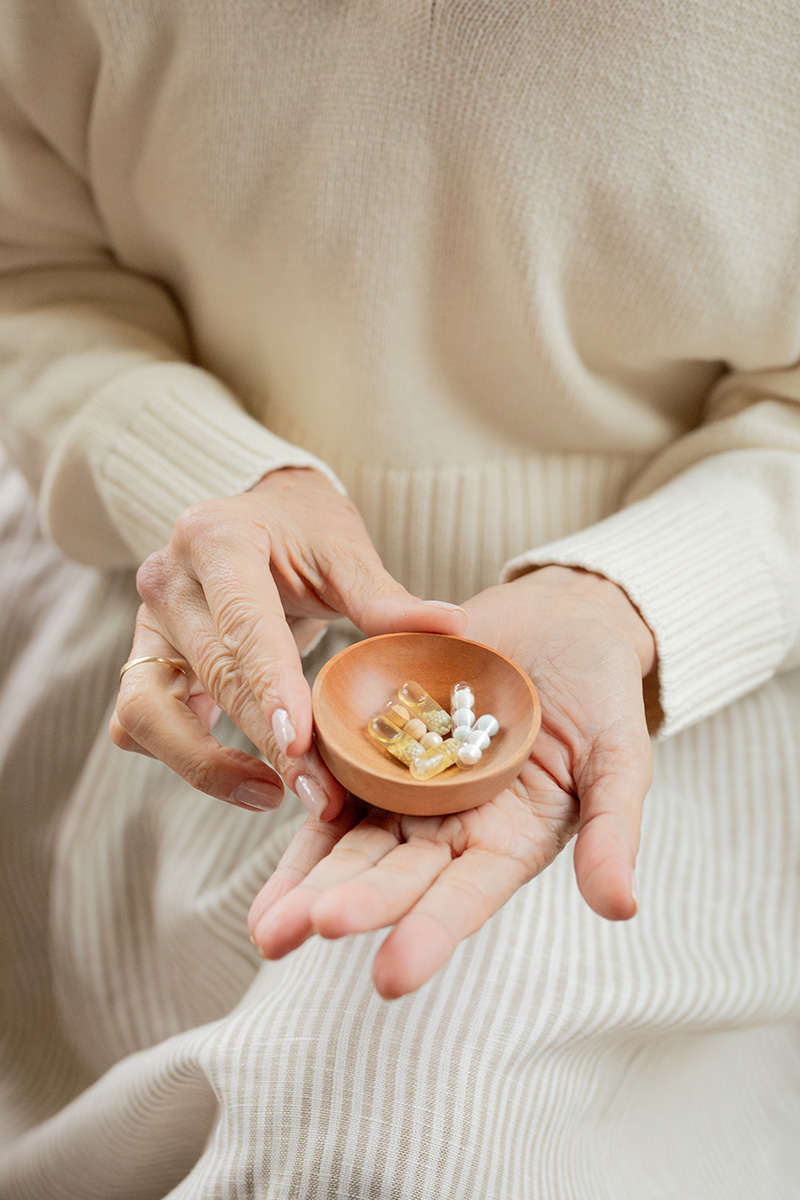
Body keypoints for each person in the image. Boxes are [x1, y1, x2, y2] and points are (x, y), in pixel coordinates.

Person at [0, 2, 798, 1196]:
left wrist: (628, 595)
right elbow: (32, 265)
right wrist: (204, 479)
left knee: (400, 1132)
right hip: (172, 617)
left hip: (682, 662)